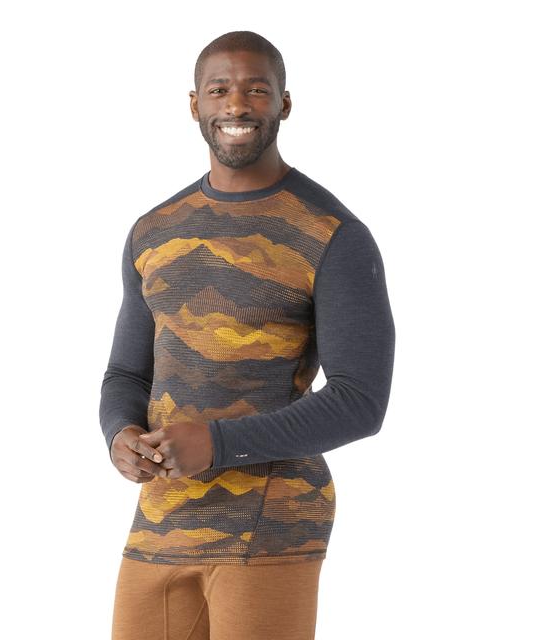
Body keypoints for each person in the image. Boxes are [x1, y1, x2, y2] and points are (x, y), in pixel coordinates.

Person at [99, 30, 396, 640]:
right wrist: (118, 434)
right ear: (195, 104)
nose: (237, 104)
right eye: (219, 90)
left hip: (272, 523)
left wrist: (215, 443)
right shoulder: (153, 231)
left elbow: (360, 400)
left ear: (284, 103)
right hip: (161, 522)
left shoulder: (333, 235)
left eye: (257, 90)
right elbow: (127, 373)